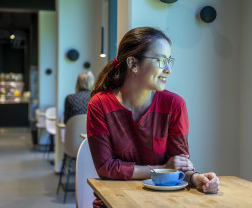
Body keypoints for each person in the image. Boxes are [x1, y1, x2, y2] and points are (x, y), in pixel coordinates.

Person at [87, 27, 219, 207]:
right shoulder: (99, 105)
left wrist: (196, 178)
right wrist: (162, 169)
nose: (168, 70)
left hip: (162, 203)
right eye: (161, 60)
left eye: (169, 61)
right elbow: (106, 168)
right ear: (133, 64)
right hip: (114, 203)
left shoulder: (175, 105)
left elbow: (177, 166)